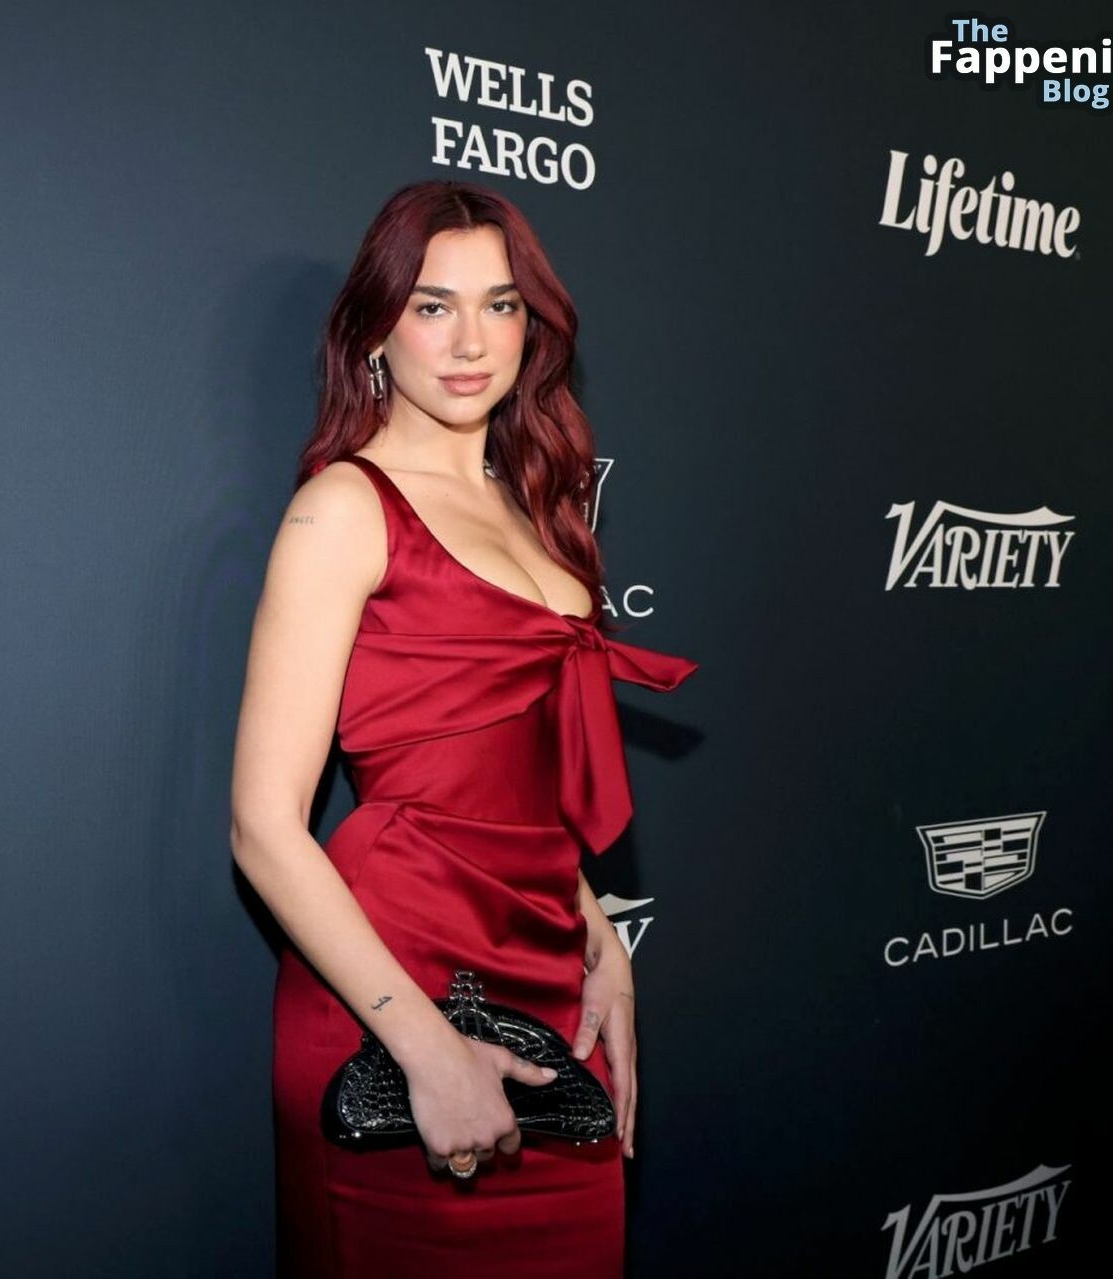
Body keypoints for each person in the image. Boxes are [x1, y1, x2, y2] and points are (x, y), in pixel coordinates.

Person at [228, 180, 699, 1277]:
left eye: (500, 305)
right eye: (433, 306)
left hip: (543, 968)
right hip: (394, 989)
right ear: (376, 328)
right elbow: (263, 825)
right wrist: (426, 1047)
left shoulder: (541, 509)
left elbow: (513, 773)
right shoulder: (344, 508)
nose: (471, 341)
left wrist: (597, 930)